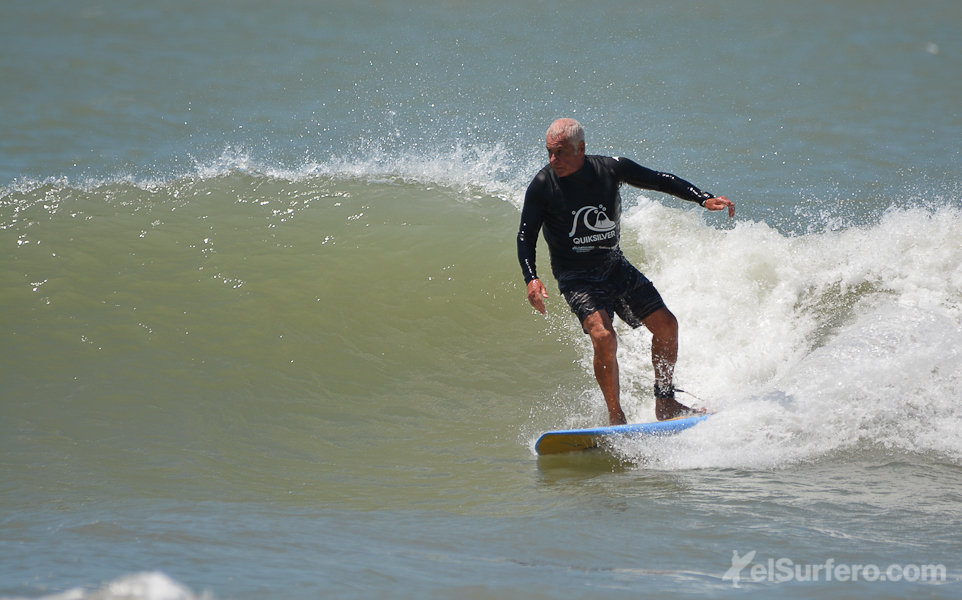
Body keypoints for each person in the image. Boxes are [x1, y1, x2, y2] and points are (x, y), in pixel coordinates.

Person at [517, 118, 735, 425]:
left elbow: (662, 180)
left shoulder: (611, 168)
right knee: (604, 337)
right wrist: (532, 278)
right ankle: (616, 417)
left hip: (613, 266)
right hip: (576, 277)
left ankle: (666, 402)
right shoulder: (543, 185)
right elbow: (526, 235)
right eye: (550, 152)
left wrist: (702, 197)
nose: (554, 160)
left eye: (562, 152)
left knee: (667, 327)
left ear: (582, 148)